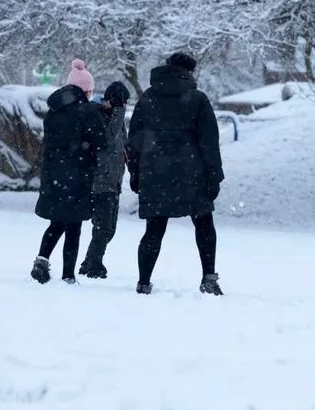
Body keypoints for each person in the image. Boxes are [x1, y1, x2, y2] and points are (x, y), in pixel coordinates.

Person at [125, 52, 225, 295]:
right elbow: (209, 141)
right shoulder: (197, 99)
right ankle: (209, 278)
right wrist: (214, 175)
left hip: (154, 173)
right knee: (204, 225)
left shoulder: (148, 98)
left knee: (154, 230)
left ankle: (143, 282)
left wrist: (135, 173)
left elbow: (134, 140)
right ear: (189, 72)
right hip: (193, 174)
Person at [30, 59, 107, 284]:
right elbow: (100, 141)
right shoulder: (87, 111)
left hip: (54, 174)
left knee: (56, 222)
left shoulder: (53, 112)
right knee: (74, 225)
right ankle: (68, 275)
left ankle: (42, 259)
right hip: (78, 174)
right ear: (86, 89)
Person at [78, 81, 131, 278]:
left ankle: (88, 262)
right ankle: (94, 265)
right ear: (112, 101)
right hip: (99, 182)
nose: (125, 107)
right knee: (103, 228)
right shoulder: (97, 115)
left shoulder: (117, 119)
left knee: (109, 230)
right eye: (122, 103)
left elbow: (123, 147)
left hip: (113, 182)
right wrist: (117, 112)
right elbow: (107, 141)